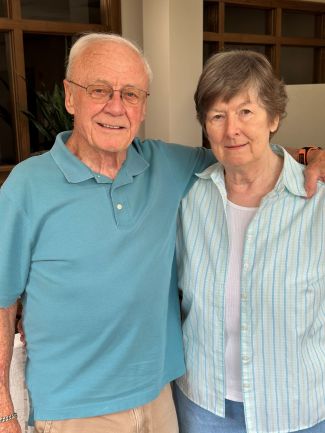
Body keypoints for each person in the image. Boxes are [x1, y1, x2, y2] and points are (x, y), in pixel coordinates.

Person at [0, 34, 323, 433]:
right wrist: (3, 408)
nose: (115, 107)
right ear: (69, 97)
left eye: (131, 94)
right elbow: (2, 297)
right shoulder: (26, 187)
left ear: (143, 106)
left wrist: (309, 156)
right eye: (99, 90)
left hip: (163, 399)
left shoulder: (170, 167)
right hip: (77, 411)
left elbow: (245, 154)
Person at [174, 50, 325, 433]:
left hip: (297, 409)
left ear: (274, 117)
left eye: (246, 111)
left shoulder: (318, 202)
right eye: (217, 115)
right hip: (204, 407)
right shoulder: (188, 199)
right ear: (205, 127)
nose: (231, 130)